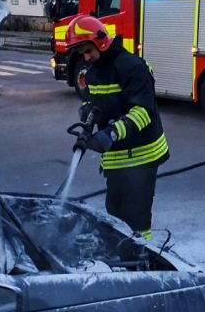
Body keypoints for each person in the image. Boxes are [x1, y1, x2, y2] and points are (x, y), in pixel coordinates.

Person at [65, 14, 169, 241]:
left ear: (100, 41)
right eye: (81, 53)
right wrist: (87, 117)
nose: (86, 57)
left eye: (88, 50)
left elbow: (143, 112)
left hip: (142, 156)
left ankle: (141, 260)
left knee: (137, 220)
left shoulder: (132, 67)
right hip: (115, 158)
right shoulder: (92, 73)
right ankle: (121, 257)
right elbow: (92, 102)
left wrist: (111, 133)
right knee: (114, 215)